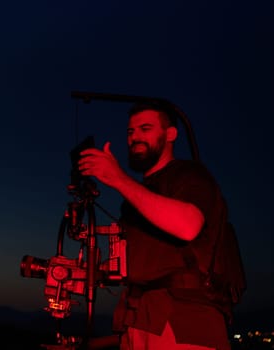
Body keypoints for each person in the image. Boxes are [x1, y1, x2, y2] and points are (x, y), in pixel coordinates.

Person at [77, 102, 232, 350]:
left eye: (145, 128)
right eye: (130, 132)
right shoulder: (137, 198)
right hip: (139, 321)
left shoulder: (189, 174)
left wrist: (117, 178)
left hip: (183, 324)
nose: (135, 137)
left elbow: (188, 226)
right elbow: (144, 263)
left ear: (171, 134)